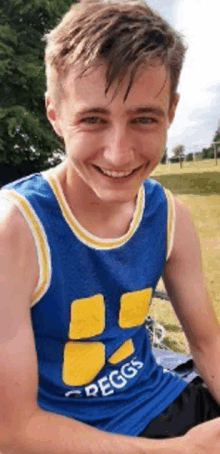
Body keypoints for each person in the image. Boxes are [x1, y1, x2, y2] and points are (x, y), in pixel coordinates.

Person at [1, 0, 220, 453]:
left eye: (143, 118)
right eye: (93, 120)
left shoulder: (168, 216)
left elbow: (207, 343)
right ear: (54, 114)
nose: (119, 155)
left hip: (160, 399)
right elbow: (13, 430)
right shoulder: (15, 230)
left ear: (171, 111)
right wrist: (184, 451)